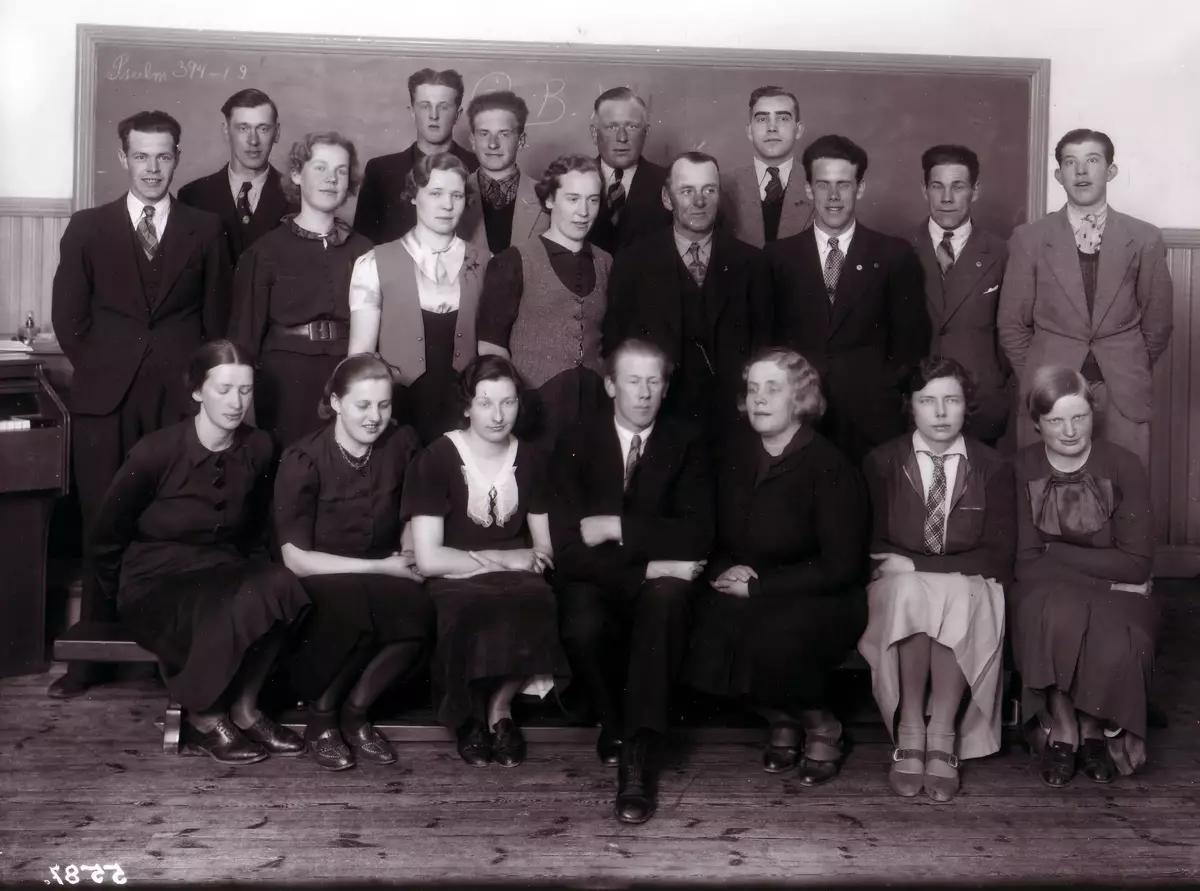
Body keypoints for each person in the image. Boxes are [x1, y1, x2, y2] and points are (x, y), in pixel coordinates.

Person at [49, 110, 230, 699]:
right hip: (107, 402)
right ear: (123, 158)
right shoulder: (88, 227)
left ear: (178, 157)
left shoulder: (205, 229)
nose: (153, 168)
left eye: (164, 156)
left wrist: (196, 387)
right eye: (142, 156)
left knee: (174, 519)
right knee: (103, 517)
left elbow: (216, 321)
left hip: (179, 400)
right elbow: (68, 319)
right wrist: (107, 369)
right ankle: (90, 659)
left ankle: (168, 654)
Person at [90, 340, 310, 764]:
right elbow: (106, 535)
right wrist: (121, 595)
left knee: (281, 586)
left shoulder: (260, 447)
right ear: (197, 391)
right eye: (223, 389)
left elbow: (259, 524)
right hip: (154, 581)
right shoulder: (155, 452)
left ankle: (245, 710)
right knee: (224, 606)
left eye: (245, 390)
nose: (236, 402)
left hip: (221, 569)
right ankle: (205, 719)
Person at [684, 348, 866, 790]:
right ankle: (781, 718)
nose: (759, 399)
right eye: (752, 390)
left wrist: (760, 587)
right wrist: (727, 570)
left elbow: (841, 566)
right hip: (751, 585)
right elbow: (712, 533)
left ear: (799, 399)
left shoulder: (829, 465)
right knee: (696, 618)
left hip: (819, 594)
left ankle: (821, 725)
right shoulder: (734, 456)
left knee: (775, 632)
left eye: (773, 389)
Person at [551, 338, 713, 824]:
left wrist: (616, 527)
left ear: (666, 388)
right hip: (599, 578)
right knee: (582, 624)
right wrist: (649, 565)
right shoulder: (577, 439)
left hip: (662, 585)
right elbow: (569, 549)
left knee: (664, 604)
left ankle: (637, 760)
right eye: (632, 381)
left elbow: (698, 534)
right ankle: (616, 723)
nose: (643, 393)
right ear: (610, 386)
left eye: (653, 382)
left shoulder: (688, 441)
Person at [859, 356, 1015, 802]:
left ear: (968, 405)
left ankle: (943, 731)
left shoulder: (992, 465)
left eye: (952, 400)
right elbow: (873, 544)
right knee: (912, 590)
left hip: (969, 584)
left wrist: (920, 567)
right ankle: (910, 726)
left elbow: (999, 555)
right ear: (911, 406)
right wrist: (912, 571)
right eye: (928, 401)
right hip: (898, 586)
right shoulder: (882, 462)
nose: (941, 412)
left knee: (954, 591)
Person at [402, 355, 570, 769]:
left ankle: (500, 708)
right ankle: (469, 716)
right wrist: (501, 559)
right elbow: (429, 558)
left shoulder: (532, 459)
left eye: (508, 402)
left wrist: (520, 562)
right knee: (468, 608)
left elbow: (544, 549)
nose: (498, 415)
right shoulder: (437, 457)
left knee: (538, 601)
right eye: (485, 403)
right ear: (467, 406)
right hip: (453, 572)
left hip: (516, 575)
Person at [275, 355, 433, 771]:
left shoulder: (402, 442)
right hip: (321, 573)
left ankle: (356, 712)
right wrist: (383, 568)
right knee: (355, 613)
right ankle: (321, 718)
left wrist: (408, 553)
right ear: (336, 403)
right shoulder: (303, 458)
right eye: (362, 405)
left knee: (420, 612)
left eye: (383, 405)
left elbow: (411, 510)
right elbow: (296, 560)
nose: (374, 417)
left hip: (384, 565)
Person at [1009, 366, 1155, 786]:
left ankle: (1094, 727)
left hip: (1115, 593)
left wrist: (1054, 551)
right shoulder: (1021, 467)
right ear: (1037, 423)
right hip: (1048, 589)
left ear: (1094, 414)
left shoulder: (1125, 465)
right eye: (1056, 420)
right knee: (1055, 614)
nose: (1070, 431)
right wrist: (1107, 576)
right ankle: (1064, 727)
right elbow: (1026, 563)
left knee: (1115, 630)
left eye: (1079, 417)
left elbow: (1137, 564)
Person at [998, 129, 1173, 468]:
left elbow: (1159, 323)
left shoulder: (1143, 237)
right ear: (1058, 175)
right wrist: (1038, 375)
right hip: (1051, 387)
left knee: (1123, 482)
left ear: (1111, 171)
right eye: (1070, 162)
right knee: (1048, 484)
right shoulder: (1030, 238)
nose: (1081, 171)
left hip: (1122, 389)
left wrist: (1130, 365)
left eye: (1092, 160)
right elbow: (1011, 325)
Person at [767, 134, 929, 465]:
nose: (833, 196)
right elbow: (767, 340)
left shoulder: (894, 255)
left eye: (843, 184)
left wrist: (880, 390)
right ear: (808, 189)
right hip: (798, 416)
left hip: (871, 420)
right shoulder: (777, 257)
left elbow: (911, 342)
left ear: (860, 187)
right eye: (823, 185)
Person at [603, 151, 773, 440]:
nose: (699, 201)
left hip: (733, 424)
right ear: (667, 198)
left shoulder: (753, 263)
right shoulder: (632, 263)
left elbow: (765, 347)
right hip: (659, 422)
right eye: (687, 191)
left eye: (709, 190)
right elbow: (616, 344)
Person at [228, 132, 372, 448]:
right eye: (320, 168)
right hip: (284, 382)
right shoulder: (264, 252)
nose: (331, 178)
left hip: (348, 376)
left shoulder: (365, 250)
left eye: (341, 170)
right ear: (296, 174)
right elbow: (243, 341)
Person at [348, 152, 484, 445]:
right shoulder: (374, 263)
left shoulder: (487, 263)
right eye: (436, 193)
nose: (447, 205)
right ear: (412, 196)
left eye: (457, 195)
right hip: (398, 415)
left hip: (466, 415)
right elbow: (359, 358)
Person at [477, 155, 609, 449]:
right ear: (550, 200)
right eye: (573, 199)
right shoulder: (513, 261)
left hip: (595, 410)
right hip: (534, 412)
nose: (584, 212)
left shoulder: (607, 263)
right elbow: (490, 346)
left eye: (593, 200)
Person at [912, 145, 1010, 445]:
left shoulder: (1002, 253)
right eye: (937, 186)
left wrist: (992, 382)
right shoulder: (899, 250)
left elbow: (1013, 332)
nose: (946, 198)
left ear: (974, 191)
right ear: (924, 190)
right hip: (917, 400)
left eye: (958, 187)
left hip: (980, 403)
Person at [354, 69, 479, 245]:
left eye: (443, 107)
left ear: (457, 115)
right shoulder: (380, 171)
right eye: (425, 106)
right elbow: (363, 244)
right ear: (412, 112)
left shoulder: (477, 168)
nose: (434, 116)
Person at [178, 89, 297, 268]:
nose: (253, 140)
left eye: (263, 129)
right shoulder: (192, 196)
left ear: (277, 132)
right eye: (243, 128)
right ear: (226, 131)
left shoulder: (297, 197)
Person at [457, 90, 549, 256]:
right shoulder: (453, 196)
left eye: (504, 134)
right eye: (484, 133)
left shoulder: (547, 198)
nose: (493, 144)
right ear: (472, 140)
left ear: (521, 141)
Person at [721, 86, 814, 247]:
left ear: (798, 129)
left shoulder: (819, 185)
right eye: (762, 119)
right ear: (749, 131)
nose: (772, 128)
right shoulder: (723, 186)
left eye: (783, 118)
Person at [586, 87, 671, 255]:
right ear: (594, 134)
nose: (622, 138)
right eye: (612, 127)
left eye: (631, 126)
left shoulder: (669, 184)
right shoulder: (570, 183)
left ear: (646, 132)